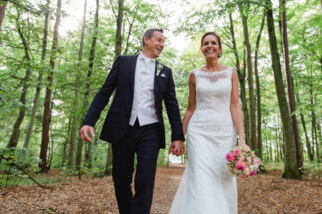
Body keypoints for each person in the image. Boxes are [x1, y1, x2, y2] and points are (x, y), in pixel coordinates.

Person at [80, 28, 185, 214]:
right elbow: (104, 92)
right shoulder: (123, 62)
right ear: (146, 40)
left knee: (145, 180)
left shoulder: (165, 72)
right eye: (158, 40)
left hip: (151, 130)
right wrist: (89, 121)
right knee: (120, 179)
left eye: (164, 41)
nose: (162, 44)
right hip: (122, 127)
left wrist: (178, 136)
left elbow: (172, 105)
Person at [169, 32, 249, 214]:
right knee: (199, 178)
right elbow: (190, 108)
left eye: (214, 43)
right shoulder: (194, 75)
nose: (210, 46)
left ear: (219, 49)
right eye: (206, 43)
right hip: (199, 133)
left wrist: (241, 139)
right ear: (202, 49)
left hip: (224, 133)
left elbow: (235, 106)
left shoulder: (231, 73)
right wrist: (179, 137)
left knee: (223, 179)